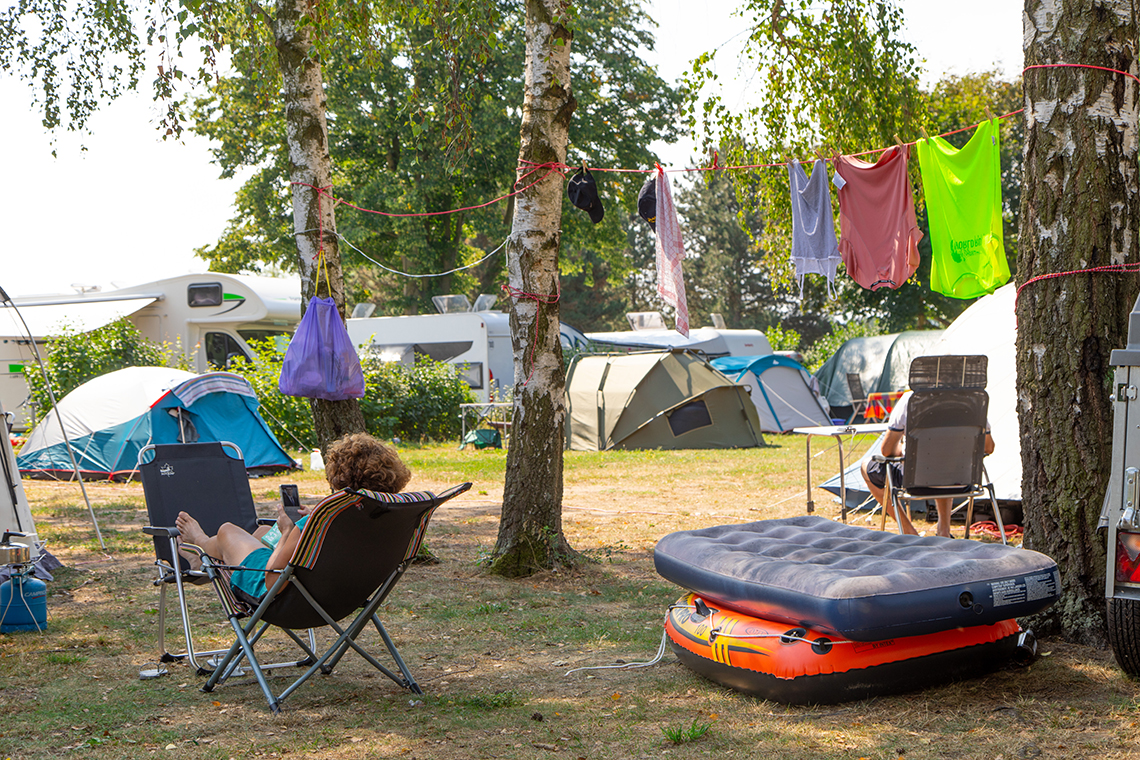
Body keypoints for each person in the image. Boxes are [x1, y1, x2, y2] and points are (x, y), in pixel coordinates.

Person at [175, 432, 412, 600]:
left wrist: (290, 530)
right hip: (344, 595)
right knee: (261, 533)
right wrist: (310, 523)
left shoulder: (321, 520)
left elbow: (272, 582)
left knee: (228, 530)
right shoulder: (389, 520)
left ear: (337, 477)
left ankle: (201, 544)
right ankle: (204, 559)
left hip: (288, 597)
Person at [860, 390, 995, 538]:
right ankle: (944, 531)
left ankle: (909, 533)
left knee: (866, 466)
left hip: (915, 483)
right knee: (945, 461)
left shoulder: (911, 399)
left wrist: (903, 451)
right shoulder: (971, 400)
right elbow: (989, 448)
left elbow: (887, 450)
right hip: (962, 482)